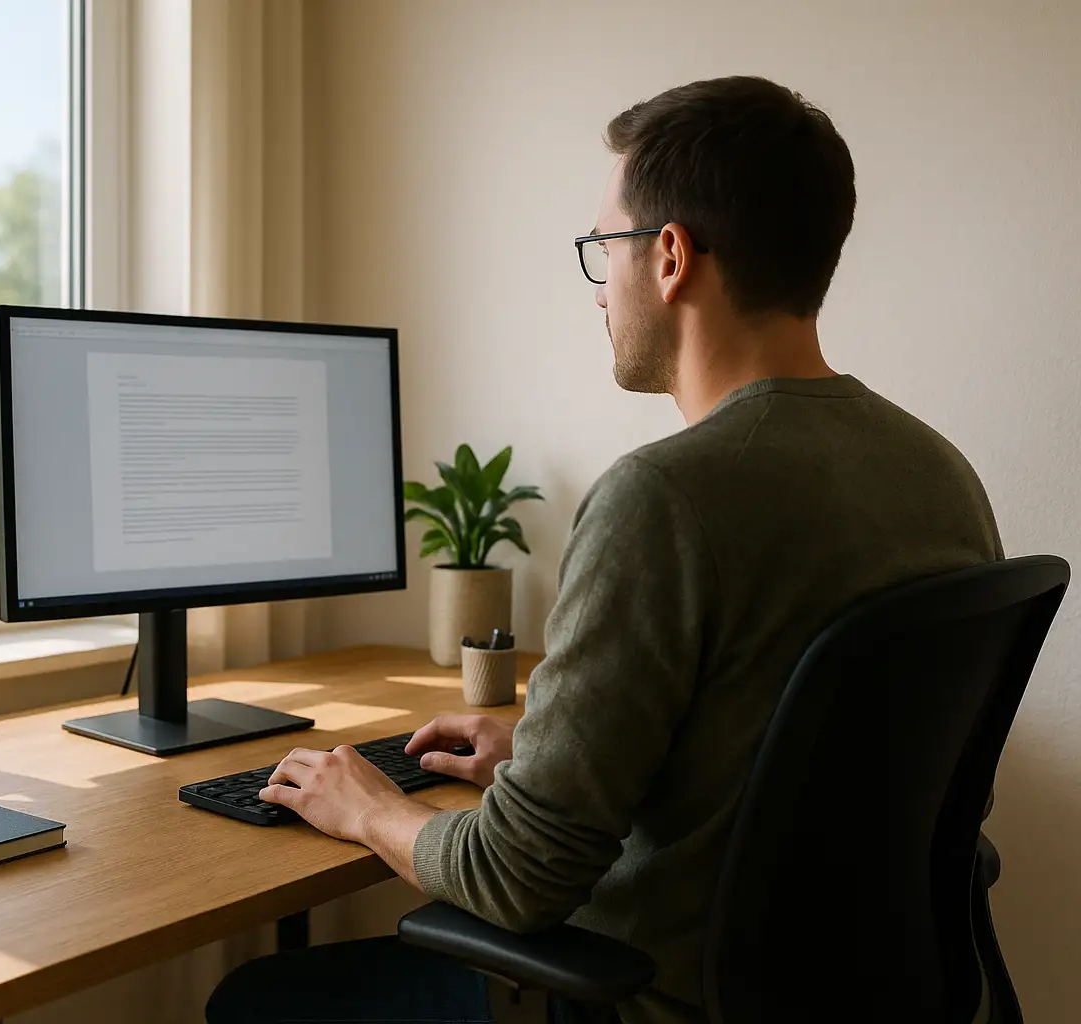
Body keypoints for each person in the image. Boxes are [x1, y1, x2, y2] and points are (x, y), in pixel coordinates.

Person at [205, 75, 1002, 1024]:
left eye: (603, 249)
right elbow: (789, 769)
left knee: (261, 1000)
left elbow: (515, 879)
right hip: (863, 996)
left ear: (669, 258)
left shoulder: (663, 498)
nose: (598, 290)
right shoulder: (939, 473)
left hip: (658, 995)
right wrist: (545, 761)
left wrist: (367, 805)